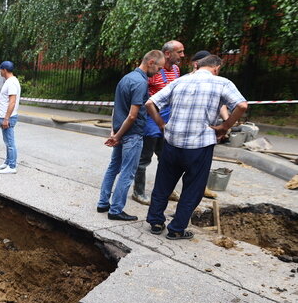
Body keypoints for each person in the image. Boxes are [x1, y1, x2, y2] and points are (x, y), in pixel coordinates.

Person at [145, 54, 248, 240]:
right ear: (216, 68)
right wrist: (225, 126)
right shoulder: (222, 83)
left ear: (197, 65)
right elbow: (241, 105)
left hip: (172, 142)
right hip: (199, 146)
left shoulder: (180, 81)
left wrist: (161, 124)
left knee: (163, 184)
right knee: (192, 188)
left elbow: (150, 103)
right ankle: (176, 229)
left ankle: (155, 222)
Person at [97, 50, 165, 221]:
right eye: (158, 68)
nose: (159, 72)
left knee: (113, 167)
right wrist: (118, 136)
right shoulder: (140, 83)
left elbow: (117, 108)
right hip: (131, 135)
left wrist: (114, 131)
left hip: (120, 132)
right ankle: (116, 210)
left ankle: (103, 202)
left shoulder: (126, 78)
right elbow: (133, 115)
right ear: (150, 62)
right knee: (127, 172)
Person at [132, 40, 185, 205]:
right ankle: (138, 192)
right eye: (180, 52)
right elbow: (140, 95)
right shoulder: (153, 71)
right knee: (145, 158)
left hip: (169, 120)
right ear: (168, 53)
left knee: (167, 157)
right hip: (151, 120)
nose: (183, 55)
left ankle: (166, 190)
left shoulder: (176, 70)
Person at [0, 61, 20, 174]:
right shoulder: (10, 81)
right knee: (7, 141)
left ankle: (12, 166)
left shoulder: (11, 83)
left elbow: (12, 102)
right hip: (5, 116)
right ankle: (7, 162)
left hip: (8, 118)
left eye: (0, 69)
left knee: (10, 142)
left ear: (4, 70)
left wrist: (6, 119)